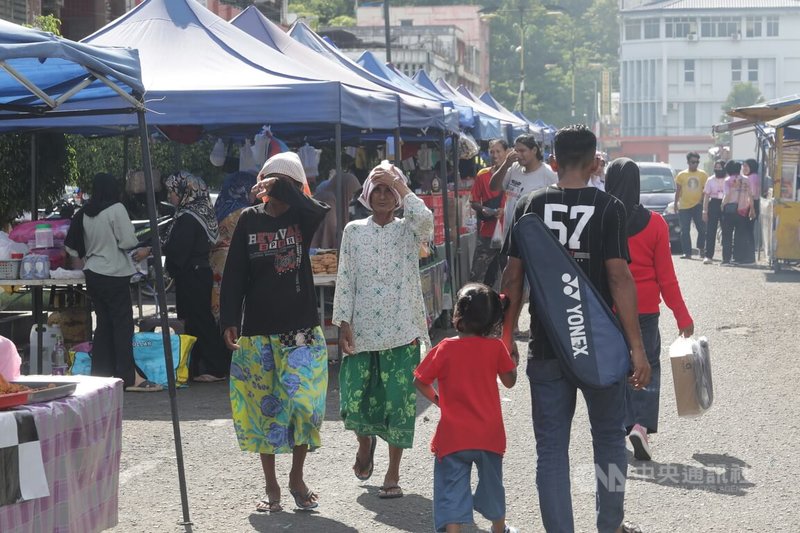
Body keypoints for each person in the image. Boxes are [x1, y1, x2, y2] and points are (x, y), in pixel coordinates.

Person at [501, 125, 650, 533]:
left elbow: (512, 279)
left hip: (548, 347)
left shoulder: (529, 204)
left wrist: (506, 337)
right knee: (608, 441)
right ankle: (610, 525)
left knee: (551, 449)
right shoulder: (610, 208)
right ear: (594, 162)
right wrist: (637, 348)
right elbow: (619, 279)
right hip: (601, 345)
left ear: (552, 161)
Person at [220, 152, 330, 513]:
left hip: (300, 331)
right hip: (259, 331)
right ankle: (272, 486)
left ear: (295, 187)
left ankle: (297, 476)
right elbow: (235, 273)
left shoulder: (303, 216)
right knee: (262, 411)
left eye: (283, 184)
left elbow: (320, 209)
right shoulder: (248, 221)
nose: (274, 191)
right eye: (270, 182)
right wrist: (228, 318)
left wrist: (284, 185)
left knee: (306, 408)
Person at [332, 161, 433, 500]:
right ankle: (365, 444)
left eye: (389, 189)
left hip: (401, 331)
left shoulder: (408, 230)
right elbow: (345, 278)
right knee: (354, 401)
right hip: (362, 332)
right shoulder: (354, 231)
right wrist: (343, 322)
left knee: (398, 404)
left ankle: (392, 473)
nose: (383, 195)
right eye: (377, 188)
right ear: (366, 194)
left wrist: (402, 186)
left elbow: (427, 221)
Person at [606, 158, 694, 461]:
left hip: (608, 310)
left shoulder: (600, 220)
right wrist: (682, 315)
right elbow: (666, 278)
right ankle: (640, 426)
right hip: (644, 310)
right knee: (647, 368)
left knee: (615, 369)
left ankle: (619, 424)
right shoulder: (655, 224)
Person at [414, 283, 518, 533]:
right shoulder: (495, 348)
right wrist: (509, 354)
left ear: (458, 315)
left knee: (450, 489)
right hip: (489, 436)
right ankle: (498, 528)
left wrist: (440, 401)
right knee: (493, 485)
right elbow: (510, 381)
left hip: (453, 435)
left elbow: (420, 380)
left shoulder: (445, 348)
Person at [65, 173, 159, 392]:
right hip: (114, 274)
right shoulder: (116, 209)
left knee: (104, 325)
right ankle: (129, 378)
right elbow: (127, 241)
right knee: (122, 326)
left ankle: (101, 375)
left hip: (93, 273)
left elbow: (71, 247)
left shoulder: (84, 212)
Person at [164, 171, 230, 382]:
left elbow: (179, 250)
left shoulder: (188, 218)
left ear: (185, 192)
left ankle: (214, 367)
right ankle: (198, 366)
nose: (169, 197)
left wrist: (164, 261)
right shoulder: (199, 213)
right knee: (197, 320)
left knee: (200, 320)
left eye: (172, 192)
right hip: (198, 273)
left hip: (191, 275)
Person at [489, 134, 557, 247]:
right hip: (509, 235)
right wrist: (505, 165)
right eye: (516, 151)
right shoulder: (514, 168)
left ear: (534, 150)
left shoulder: (549, 174)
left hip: (533, 239)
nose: (518, 155)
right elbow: (493, 187)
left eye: (522, 151)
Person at [210, 170, 257, 321]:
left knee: (220, 303)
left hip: (216, 261)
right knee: (235, 309)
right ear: (244, 188)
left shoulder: (220, 206)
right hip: (235, 262)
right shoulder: (244, 212)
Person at [469, 139, 509, 287]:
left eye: (498, 151)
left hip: (509, 233)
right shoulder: (483, 175)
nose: (494, 155)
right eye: (491, 152)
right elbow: (473, 201)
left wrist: (505, 211)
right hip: (487, 233)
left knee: (509, 276)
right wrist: (483, 209)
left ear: (507, 152)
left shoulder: (515, 175)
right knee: (477, 275)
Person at [674, 151, 709, 259]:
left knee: (702, 229)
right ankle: (687, 253)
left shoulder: (703, 174)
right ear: (688, 162)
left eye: (697, 162)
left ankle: (701, 248)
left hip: (698, 205)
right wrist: (675, 204)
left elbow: (705, 190)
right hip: (684, 206)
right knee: (685, 230)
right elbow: (678, 190)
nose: (695, 164)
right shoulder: (681, 175)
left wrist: (702, 203)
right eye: (693, 162)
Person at [720, 160, 755, 266]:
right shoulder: (746, 179)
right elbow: (750, 196)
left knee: (727, 236)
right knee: (740, 235)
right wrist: (752, 209)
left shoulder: (727, 180)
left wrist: (722, 205)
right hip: (743, 210)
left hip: (730, 210)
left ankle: (726, 259)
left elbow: (727, 195)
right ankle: (738, 258)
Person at [702, 160, 727, 264]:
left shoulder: (728, 179)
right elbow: (706, 196)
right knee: (711, 231)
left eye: (720, 167)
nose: (718, 169)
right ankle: (708, 256)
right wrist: (704, 210)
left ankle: (726, 257)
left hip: (725, 204)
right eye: (716, 167)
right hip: (714, 204)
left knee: (726, 231)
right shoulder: (710, 179)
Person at [742, 158, 761, 262]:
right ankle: (749, 256)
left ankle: (749, 257)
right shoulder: (754, 176)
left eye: (746, 166)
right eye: (743, 166)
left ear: (752, 167)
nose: (744, 168)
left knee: (747, 231)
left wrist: (751, 209)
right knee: (748, 231)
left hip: (751, 205)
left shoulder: (752, 178)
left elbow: (752, 194)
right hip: (752, 204)